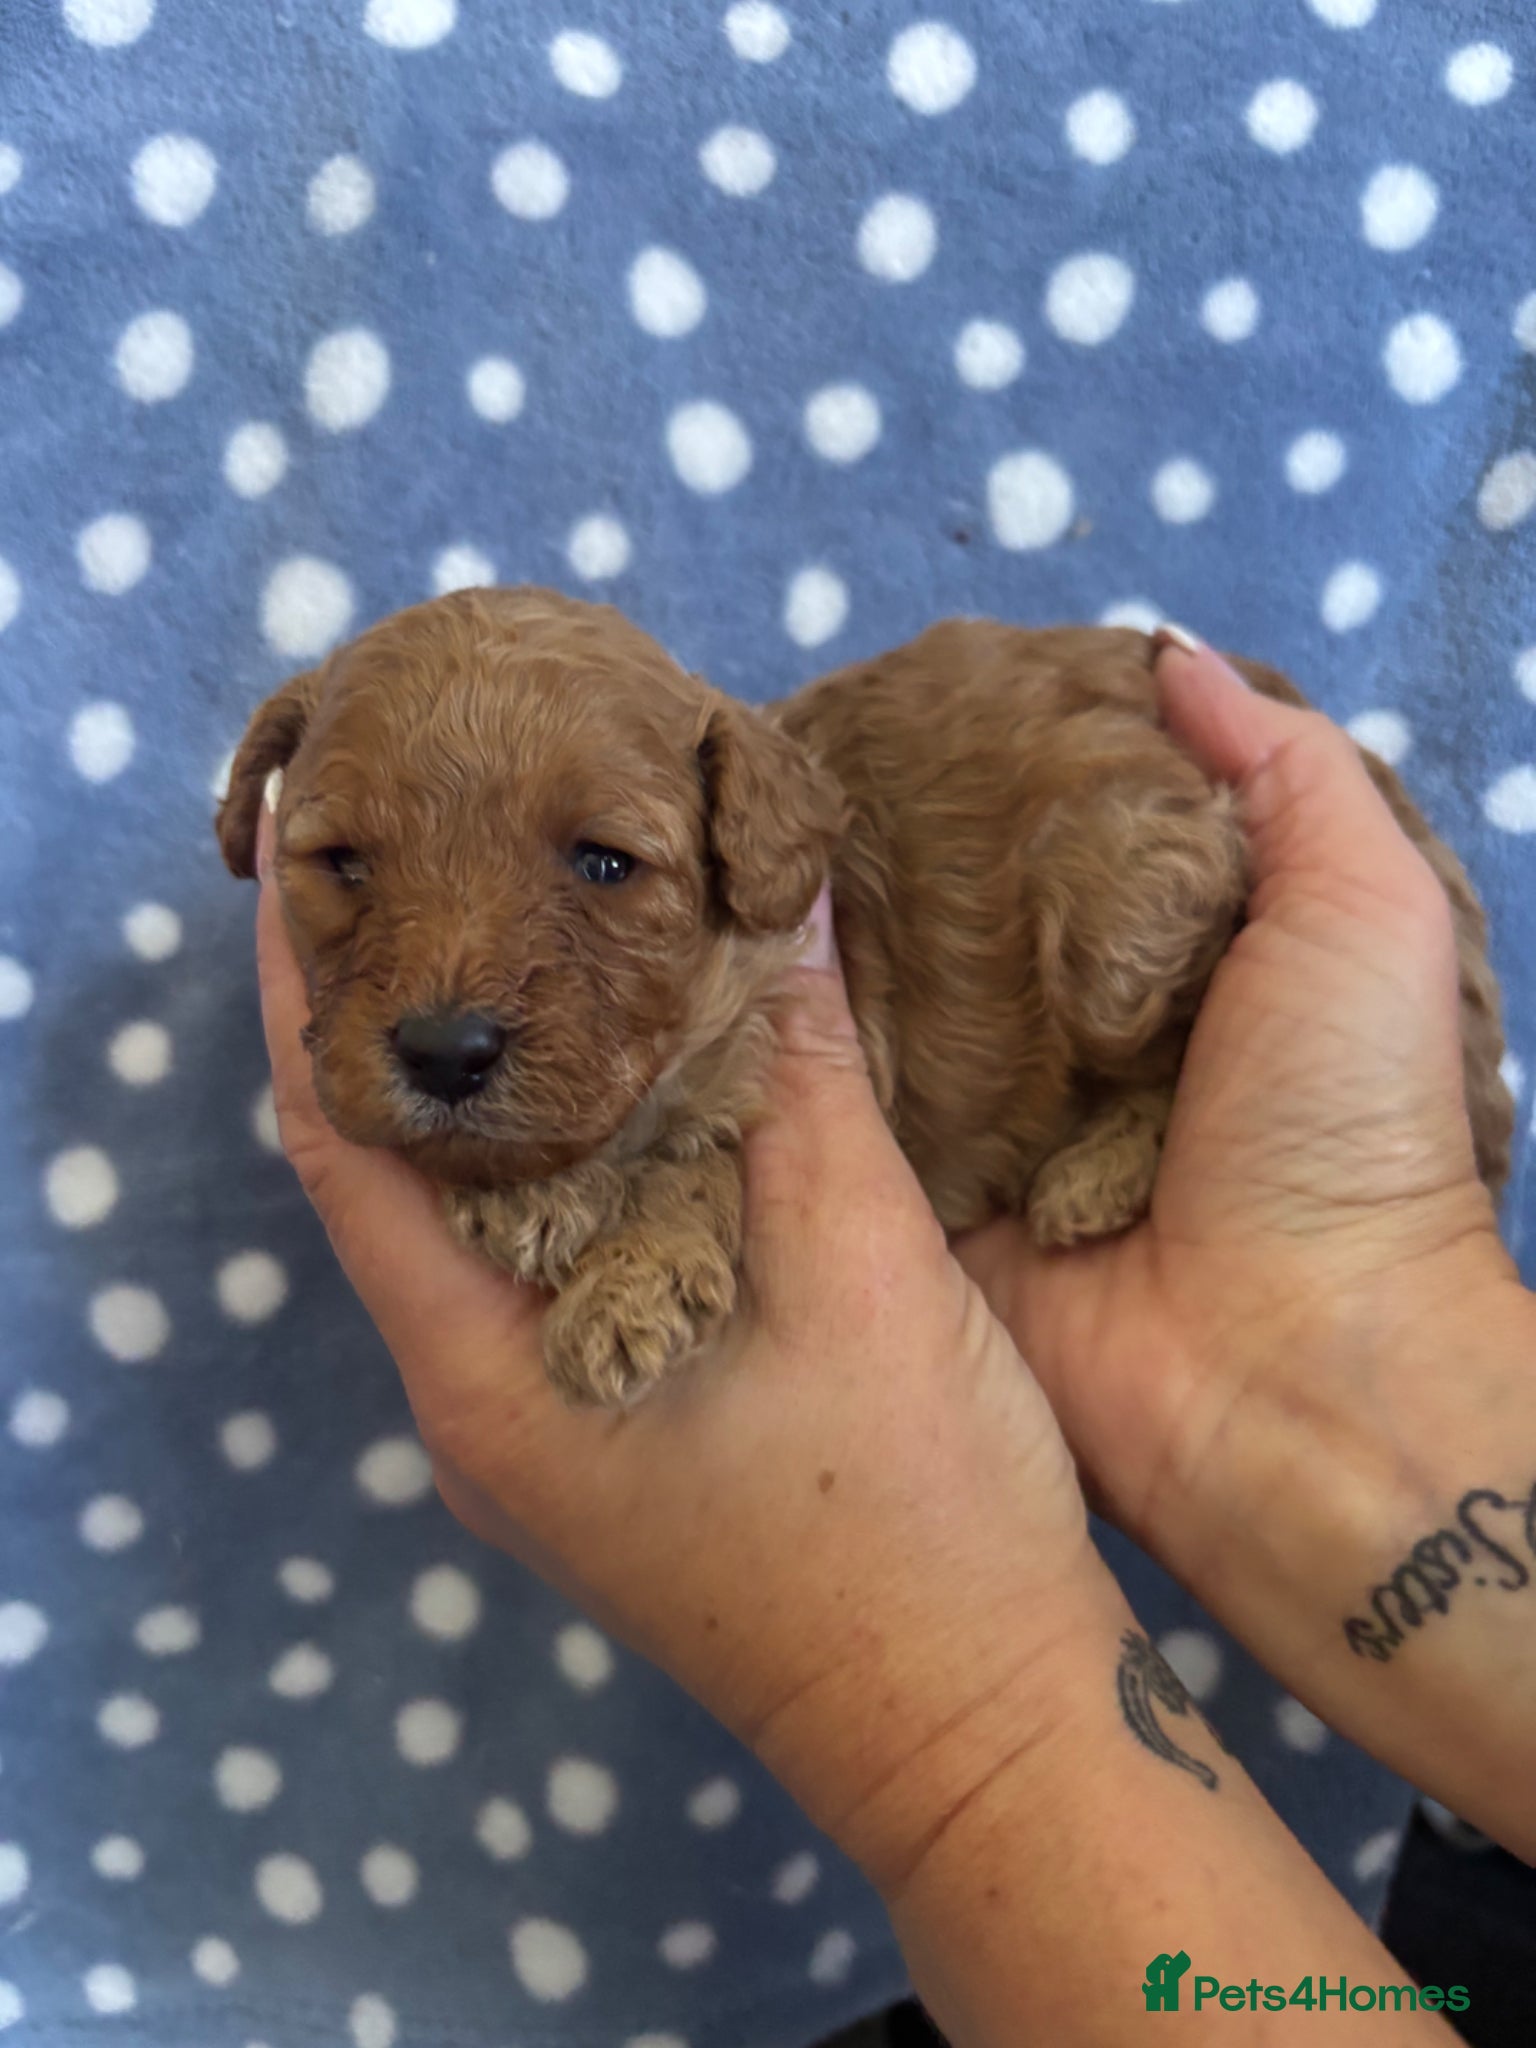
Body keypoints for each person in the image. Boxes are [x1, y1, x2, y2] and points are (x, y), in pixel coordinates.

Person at [253, 634, 1536, 2044]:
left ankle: (1153, 1099)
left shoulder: (764, 888)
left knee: (1119, 925)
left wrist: (952, 1715)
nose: (441, 979)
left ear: (747, 848)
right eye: (346, 869)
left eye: (605, 866)